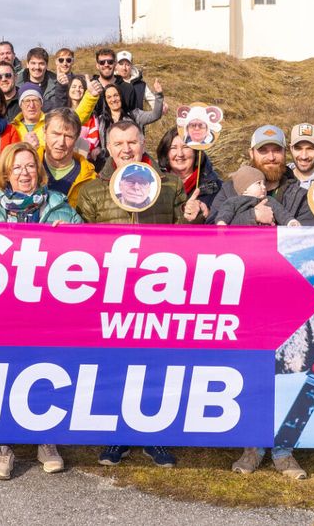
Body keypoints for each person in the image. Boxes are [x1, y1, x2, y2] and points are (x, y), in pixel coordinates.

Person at [79, 120, 199, 466]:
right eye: (118, 143)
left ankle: (154, 433)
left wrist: (191, 217)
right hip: (113, 293)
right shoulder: (91, 191)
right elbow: (80, 244)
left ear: (143, 143)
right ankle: (118, 433)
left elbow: (189, 239)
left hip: (158, 291)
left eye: (132, 142)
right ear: (108, 146)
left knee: (155, 364)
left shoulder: (169, 184)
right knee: (116, 366)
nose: (126, 149)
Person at [0, 142, 83, 479]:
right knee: (6, 372)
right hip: (5, 306)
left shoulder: (59, 206)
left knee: (45, 369)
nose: (25, 173)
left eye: (31, 167)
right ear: (7, 174)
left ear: (39, 172)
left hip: (48, 306)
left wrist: (72, 234)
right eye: (18, 168)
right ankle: (5, 448)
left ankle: (45, 441)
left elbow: (87, 246)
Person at [208, 126, 314, 225]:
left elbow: (306, 239)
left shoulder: (300, 197)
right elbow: (210, 231)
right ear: (251, 153)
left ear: (284, 152)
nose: (271, 157)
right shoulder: (229, 190)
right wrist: (251, 217)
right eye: (263, 150)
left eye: (277, 150)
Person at [91, 81, 164, 169]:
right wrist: (97, 149)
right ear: (105, 101)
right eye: (109, 97)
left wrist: (159, 95)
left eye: (116, 95)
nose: (113, 99)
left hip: (133, 163)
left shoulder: (135, 115)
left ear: (121, 96)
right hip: (107, 166)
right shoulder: (100, 120)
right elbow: (96, 141)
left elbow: (155, 115)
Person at [156, 126, 220, 215]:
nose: (180, 154)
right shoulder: (154, 182)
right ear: (166, 152)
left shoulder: (215, 186)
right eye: (173, 148)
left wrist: (206, 211)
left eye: (186, 147)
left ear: (196, 152)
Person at [41, 108, 97, 207]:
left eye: (68, 136)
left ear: (76, 139)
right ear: (44, 133)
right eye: (56, 134)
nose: (61, 142)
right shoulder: (25, 168)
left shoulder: (90, 179)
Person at [214, 165, 301, 227]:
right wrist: (222, 222)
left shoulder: (268, 200)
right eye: (258, 183)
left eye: (264, 183)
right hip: (241, 240)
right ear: (245, 188)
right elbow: (226, 212)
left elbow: (280, 212)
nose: (264, 187)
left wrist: (289, 221)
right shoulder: (234, 201)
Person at [289, 123, 314, 188]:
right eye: (298, 148)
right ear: (291, 149)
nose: (304, 156)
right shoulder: (280, 178)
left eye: (310, 149)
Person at [14, 83, 48, 149]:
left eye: (35, 101)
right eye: (27, 101)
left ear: (41, 103)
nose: (31, 105)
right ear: (21, 105)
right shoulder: (13, 128)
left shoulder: (50, 124)